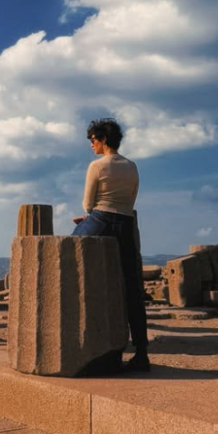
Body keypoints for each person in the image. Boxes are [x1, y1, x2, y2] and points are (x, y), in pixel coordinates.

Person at [72, 118, 150, 373]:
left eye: (93, 140)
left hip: (101, 219)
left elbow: (88, 204)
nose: (91, 145)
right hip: (126, 224)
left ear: (103, 139)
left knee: (69, 247)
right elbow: (131, 199)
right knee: (131, 289)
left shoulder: (97, 165)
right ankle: (141, 353)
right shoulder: (132, 166)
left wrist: (90, 218)